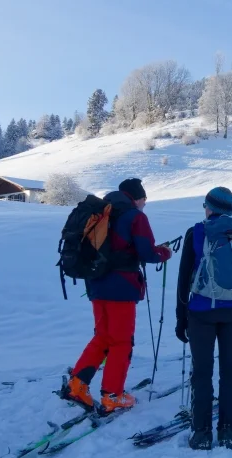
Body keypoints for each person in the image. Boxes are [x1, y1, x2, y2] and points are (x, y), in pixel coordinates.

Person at [61, 178, 172, 415]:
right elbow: (147, 253)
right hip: (121, 288)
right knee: (121, 341)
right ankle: (113, 395)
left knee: (103, 336)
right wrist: (164, 253)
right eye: (144, 199)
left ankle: (77, 384)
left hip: (96, 282)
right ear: (138, 197)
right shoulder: (135, 217)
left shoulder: (103, 212)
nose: (144, 204)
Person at [175, 187, 232, 451]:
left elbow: (183, 279)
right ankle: (228, 430)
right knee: (230, 370)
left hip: (201, 312)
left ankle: (201, 433)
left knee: (202, 371)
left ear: (209, 207)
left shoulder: (196, 232)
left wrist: (181, 319)